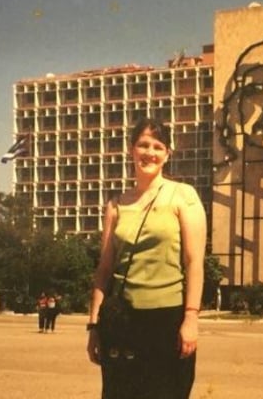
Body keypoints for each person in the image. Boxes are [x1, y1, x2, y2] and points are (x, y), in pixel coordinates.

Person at [86, 117, 207, 399]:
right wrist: (94, 326)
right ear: (131, 150)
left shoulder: (183, 196)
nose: (149, 152)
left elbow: (194, 262)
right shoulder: (116, 205)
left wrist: (191, 318)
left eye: (157, 146)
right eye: (143, 145)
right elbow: (104, 270)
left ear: (167, 154)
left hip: (167, 322)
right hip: (122, 323)